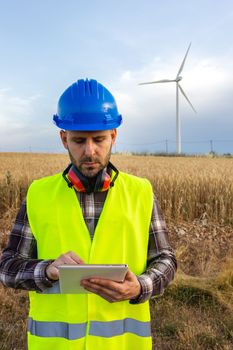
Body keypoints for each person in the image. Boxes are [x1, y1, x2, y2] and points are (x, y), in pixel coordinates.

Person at [0, 78, 177, 350]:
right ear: (63, 139)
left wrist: (140, 287)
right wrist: (46, 270)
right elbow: (7, 267)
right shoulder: (38, 194)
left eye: (99, 139)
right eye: (79, 140)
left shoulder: (142, 193)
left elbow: (166, 260)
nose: (90, 151)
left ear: (114, 136)